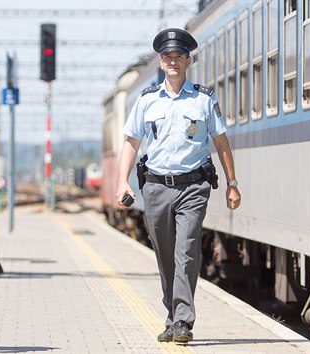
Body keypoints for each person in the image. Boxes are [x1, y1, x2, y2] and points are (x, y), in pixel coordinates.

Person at [115, 27, 241, 343]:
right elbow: (131, 143)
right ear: (161, 62)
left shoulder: (203, 100)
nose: (173, 62)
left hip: (193, 187)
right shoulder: (146, 101)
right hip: (156, 187)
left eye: (178, 57)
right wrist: (122, 182)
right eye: (168, 57)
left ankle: (183, 320)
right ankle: (172, 317)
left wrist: (232, 183)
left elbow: (221, 143)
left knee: (186, 251)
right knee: (165, 255)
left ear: (188, 61)